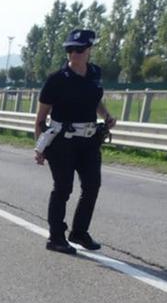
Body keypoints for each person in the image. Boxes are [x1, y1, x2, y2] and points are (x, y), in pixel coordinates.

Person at [32, 28, 117, 254]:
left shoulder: (95, 73)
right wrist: (39, 148)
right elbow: (40, 118)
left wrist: (106, 116)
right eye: (70, 50)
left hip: (89, 141)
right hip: (62, 141)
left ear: (89, 50)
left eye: (79, 50)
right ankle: (56, 237)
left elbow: (95, 100)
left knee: (92, 186)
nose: (73, 54)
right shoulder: (56, 80)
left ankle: (79, 232)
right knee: (63, 188)